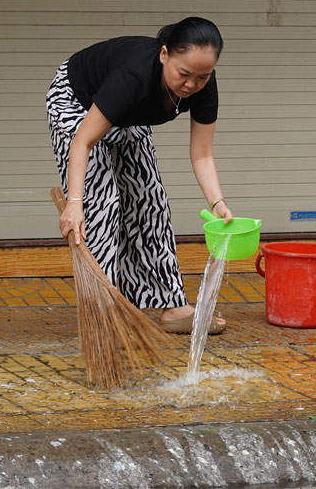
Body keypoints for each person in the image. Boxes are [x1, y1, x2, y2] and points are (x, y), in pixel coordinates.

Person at [46, 17, 232, 334]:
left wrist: (217, 203)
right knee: (101, 203)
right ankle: (101, 313)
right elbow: (84, 142)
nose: (191, 85)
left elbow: (201, 153)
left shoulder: (203, 86)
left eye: (202, 76)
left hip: (126, 114)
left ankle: (172, 305)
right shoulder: (133, 77)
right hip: (77, 101)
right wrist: (74, 203)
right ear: (164, 55)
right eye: (183, 74)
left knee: (151, 201)